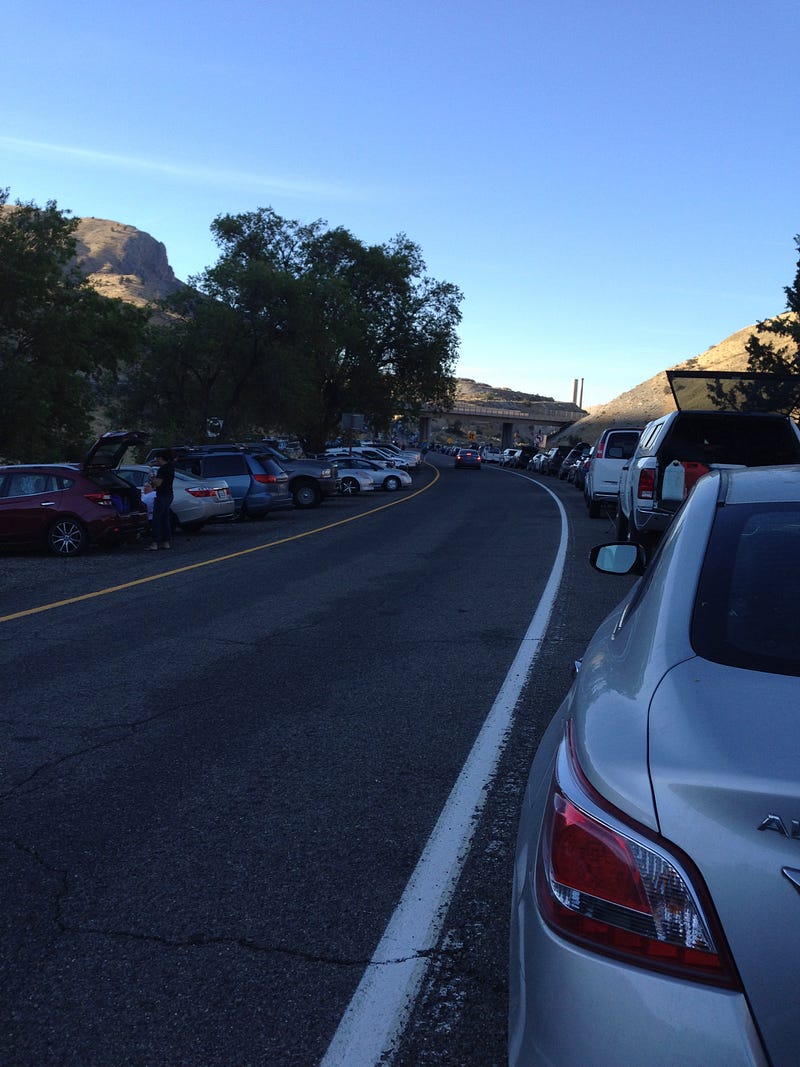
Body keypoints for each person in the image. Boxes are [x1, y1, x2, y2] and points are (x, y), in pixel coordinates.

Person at [148, 449, 174, 549]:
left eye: (157, 459)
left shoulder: (162, 470)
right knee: (165, 519)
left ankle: (155, 543)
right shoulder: (171, 467)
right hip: (169, 494)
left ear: (160, 458)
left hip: (162, 495)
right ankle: (166, 542)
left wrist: (152, 479)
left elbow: (158, 483)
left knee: (157, 519)